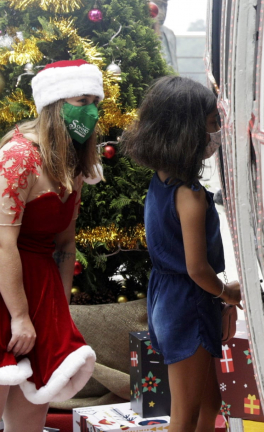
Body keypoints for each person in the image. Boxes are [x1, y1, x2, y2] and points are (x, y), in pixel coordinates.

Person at [121, 76, 241, 432]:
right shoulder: (190, 196)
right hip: (188, 304)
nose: (215, 135)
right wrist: (229, 295)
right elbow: (197, 268)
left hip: (169, 297)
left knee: (208, 404)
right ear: (188, 133)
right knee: (185, 415)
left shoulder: (161, 182)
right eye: (211, 126)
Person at [0, 60, 101, 431]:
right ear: (56, 104)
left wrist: (58, 307)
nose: (89, 110)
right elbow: (2, 244)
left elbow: (66, 244)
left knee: (30, 417)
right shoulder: (18, 157)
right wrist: (20, 316)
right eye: (80, 99)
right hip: (6, 288)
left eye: (95, 100)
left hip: (41, 291)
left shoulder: (72, 163)